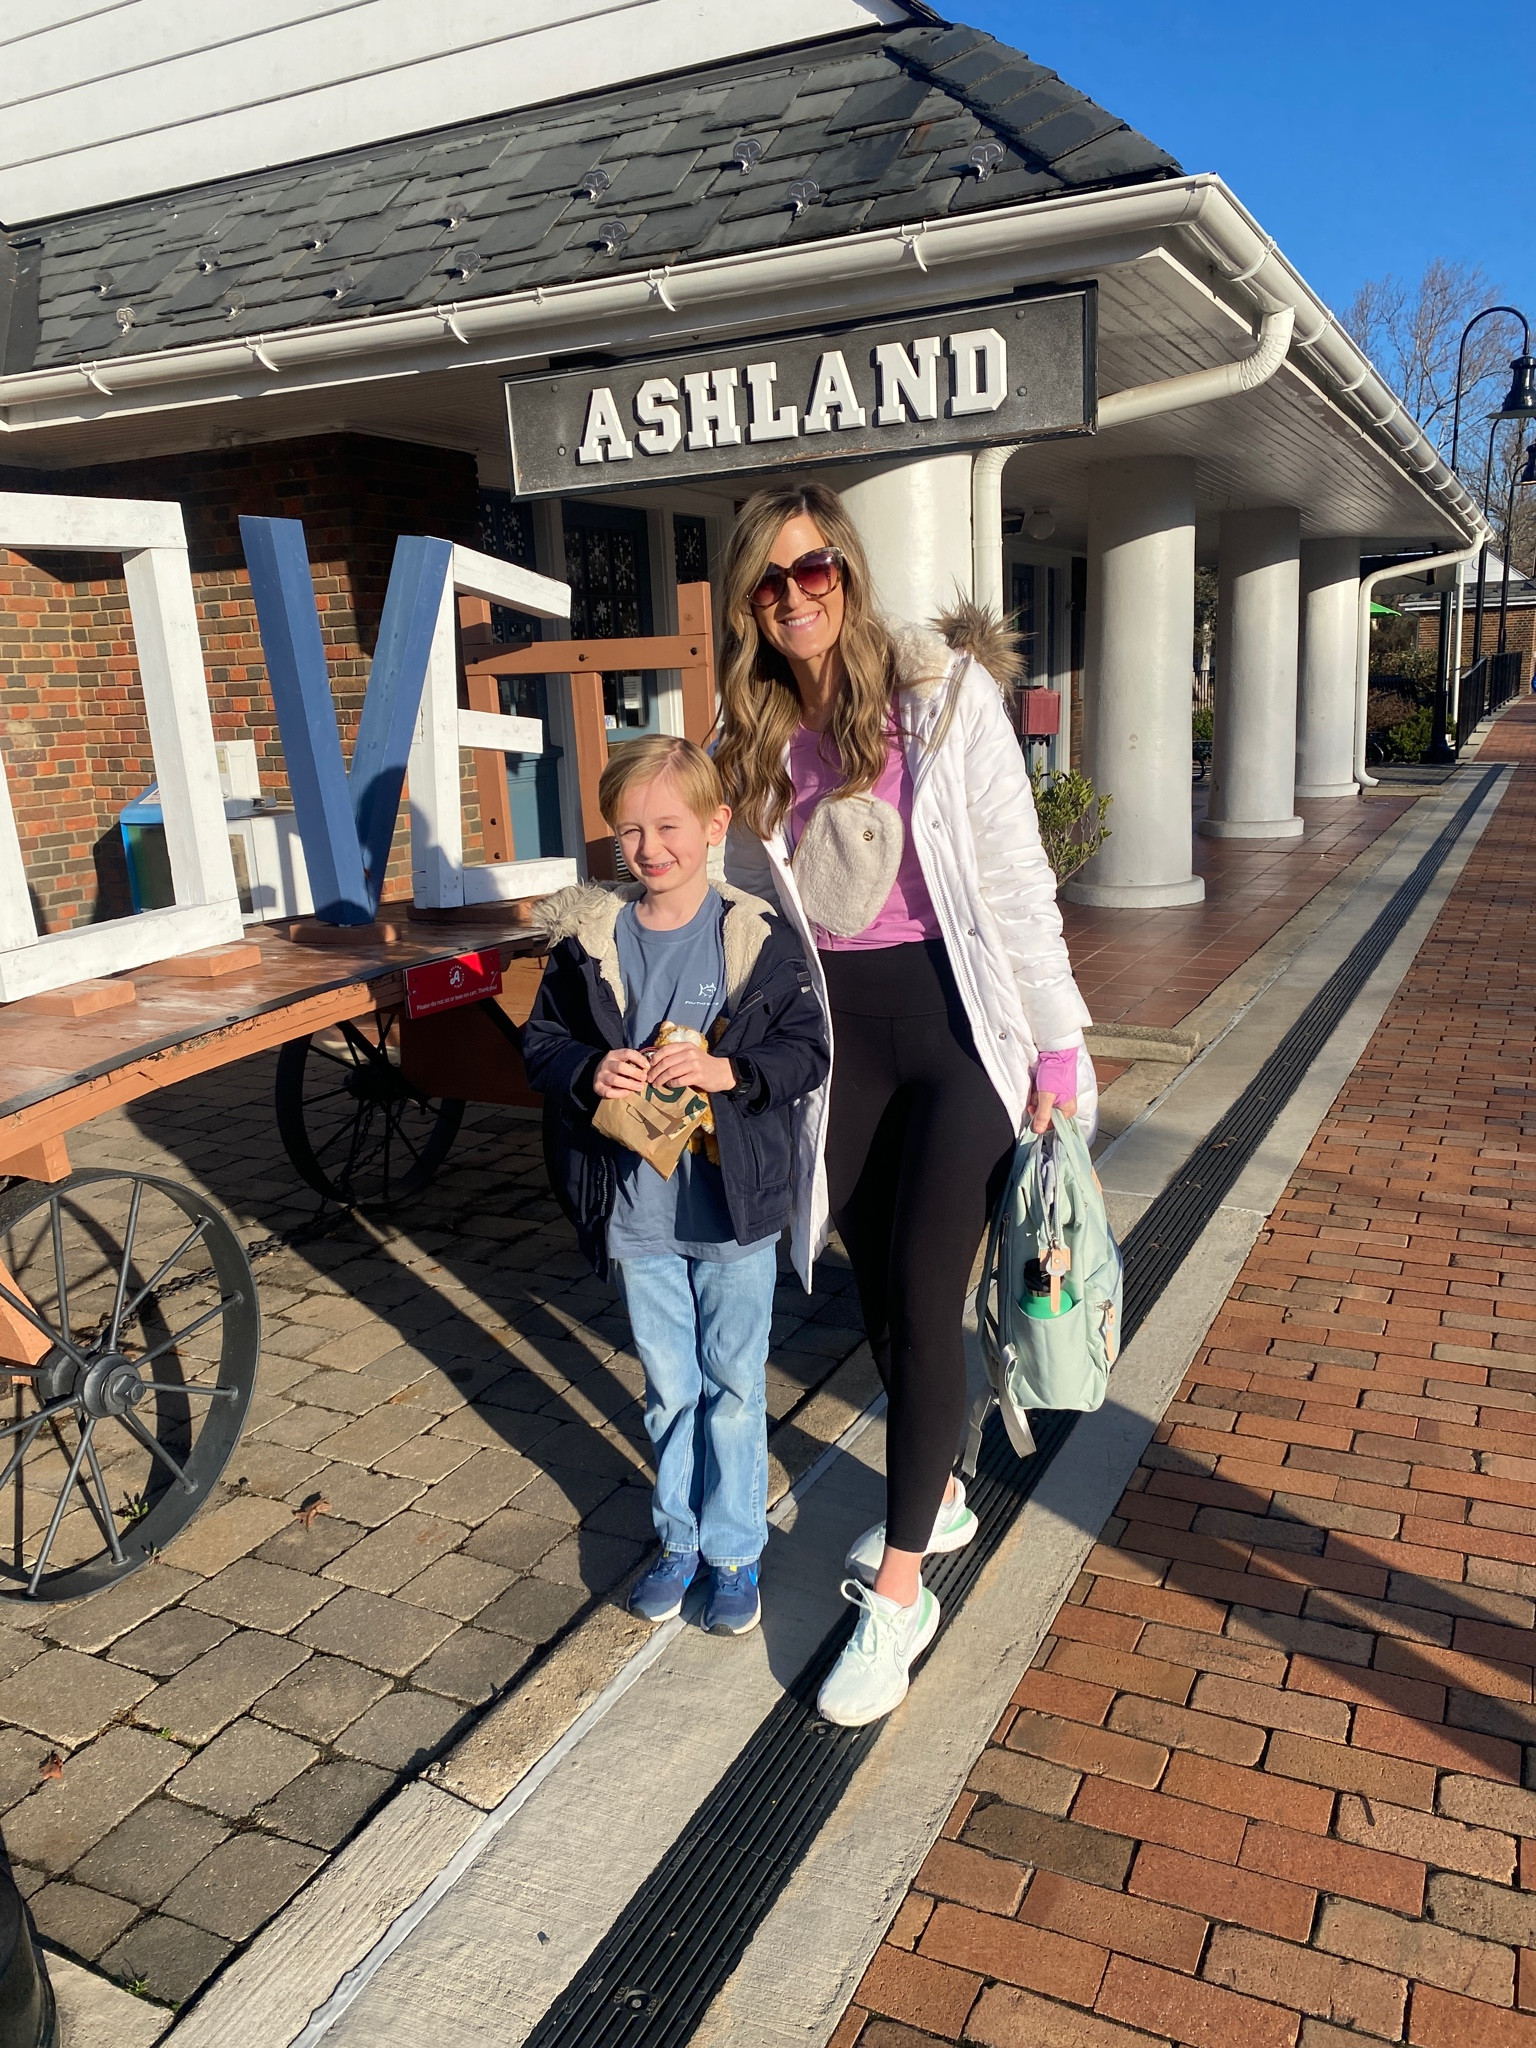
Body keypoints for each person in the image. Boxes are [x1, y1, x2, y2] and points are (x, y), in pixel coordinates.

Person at [717, 481, 1095, 1725]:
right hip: (843, 1037)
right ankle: (933, 1491)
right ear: (746, 603)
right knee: (874, 1286)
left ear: (850, 572)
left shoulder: (944, 700)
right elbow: (751, 923)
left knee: (928, 1290)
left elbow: (1015, 880)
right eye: (768, 581)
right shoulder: (754, 739)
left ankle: (900, 1591)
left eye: (811, 569)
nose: (792, 596)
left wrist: (1054, 1051)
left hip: (958, 1027)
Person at [522, 736, 828, 1638]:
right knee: (669, 1388)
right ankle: (677, 1539)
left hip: (734, 1216)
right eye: (631, 832)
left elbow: (807, 1051)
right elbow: (540, 1047)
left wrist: (730, 1072)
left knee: (734, 1385)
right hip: (637, 1210)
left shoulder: (758, 938)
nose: (651, 848)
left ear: (716, 826)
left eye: (669, 826)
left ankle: (734, 1551)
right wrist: (591, 1069)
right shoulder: (588, 943)